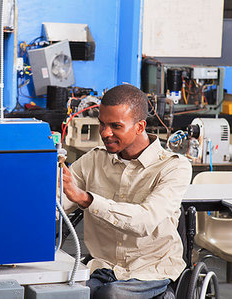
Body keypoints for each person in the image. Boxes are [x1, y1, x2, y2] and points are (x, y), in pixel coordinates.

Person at [62, 84, 192, 299]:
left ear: (140, 127)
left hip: (151, 269)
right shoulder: (93, 160)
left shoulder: (174, 167)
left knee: (111, 295)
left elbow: (144, 221)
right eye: (102, 124)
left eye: (116, 126)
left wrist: (86, 200)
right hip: (103, 268)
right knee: (71, 293)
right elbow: (58, 204)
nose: (105, 133)